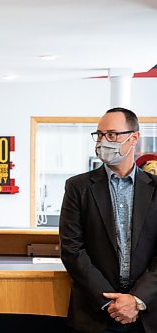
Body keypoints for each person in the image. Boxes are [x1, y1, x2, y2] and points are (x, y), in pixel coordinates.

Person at [60, 108, 157, 333]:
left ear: (134, 138)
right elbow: (72, 250)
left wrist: (137, 299)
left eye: (112, 135)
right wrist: (112, 303)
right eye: (100, 135)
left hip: (148, 313)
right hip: (96, 313)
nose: (103, 141)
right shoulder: (78, 187)